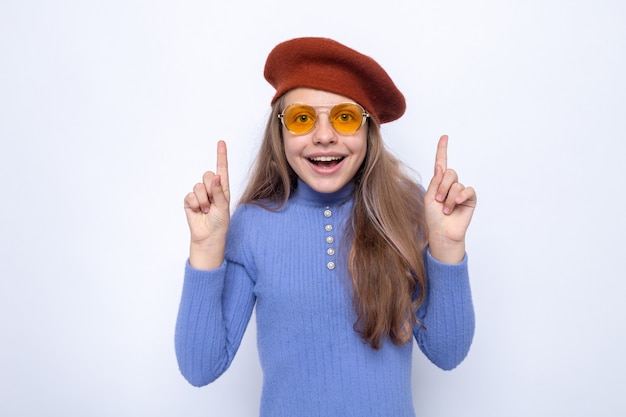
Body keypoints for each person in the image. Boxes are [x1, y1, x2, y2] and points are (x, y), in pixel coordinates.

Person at [175, 37, 477, 417]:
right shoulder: (252, 225)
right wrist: (205, 249)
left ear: (368, 131)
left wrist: (447, 248)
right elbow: (200, 368)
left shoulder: (410, 208)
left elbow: (448, 353)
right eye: (302, 118)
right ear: (280, 132)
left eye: (345, 117)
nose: (323, 135)